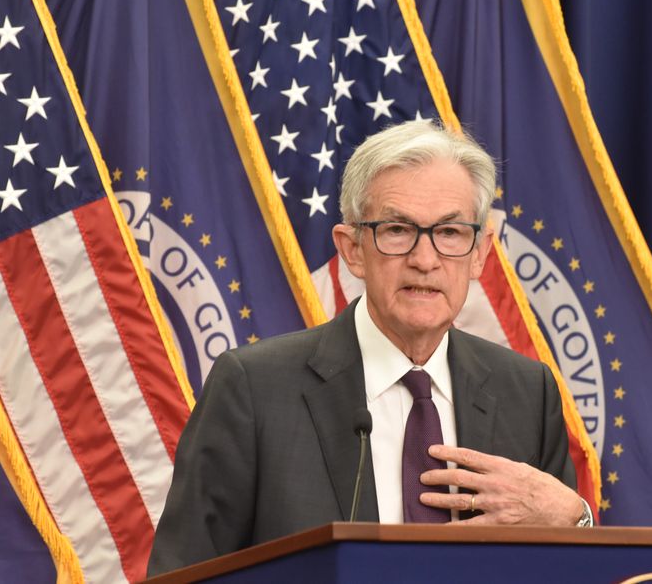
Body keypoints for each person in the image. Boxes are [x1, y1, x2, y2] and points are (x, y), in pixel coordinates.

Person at [148, 121, 592, 575]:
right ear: (352, 249)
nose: (425, 259)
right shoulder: (254, 390)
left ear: (479, 252)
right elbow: (183, 573)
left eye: (451, 233)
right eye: (397, 230)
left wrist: (576, 520)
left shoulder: (527, 392)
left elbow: (569, 568)